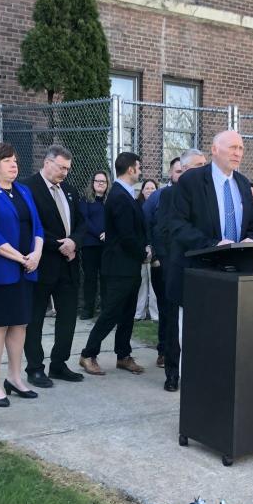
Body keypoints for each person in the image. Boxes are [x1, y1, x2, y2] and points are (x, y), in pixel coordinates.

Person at [164, 132, 253, 390]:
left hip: (231, 277)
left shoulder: (242, 183)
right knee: (191, 339)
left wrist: (250, 240)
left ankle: (218, 389)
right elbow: (177, 225)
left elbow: (252, 225)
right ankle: (191, 391)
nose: (238, 152)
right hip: (196, 274)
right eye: (232, 147)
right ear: (215, 150)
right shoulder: (192, 181)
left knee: (222, 340)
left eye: (241, 147)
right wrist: (212, 245)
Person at [0, 143, 45, 408]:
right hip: (0, 271)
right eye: (7, 161)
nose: (14, 165)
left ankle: (14, 377)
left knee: (20, 324)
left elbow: (38, 226)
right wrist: (20, 257)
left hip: (26, 269)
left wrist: (36, 253)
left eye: (15, 160)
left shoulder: (23, 190)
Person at [20, 146, 86, 387]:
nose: (65, 173)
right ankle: (35, 368)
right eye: (61, 167)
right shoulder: (28, 188)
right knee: (35, 318)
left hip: (69, 264)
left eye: (68, 168)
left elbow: (81, 222)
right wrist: (59, 245)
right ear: (47, 162)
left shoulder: (69, 190)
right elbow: (29, 226)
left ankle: (59, 363)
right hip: (43, 262)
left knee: (68, 316)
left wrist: (74, 242)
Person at [78, 152, 148, 377]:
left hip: (128, 265)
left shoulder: (124, 194)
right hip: (119, 266)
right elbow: (127, 235)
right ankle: (88, 354)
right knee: (111, 313)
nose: (140, 170)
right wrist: (143, 252)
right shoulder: (119, 196)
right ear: (130, 169)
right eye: (138, 167)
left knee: (127, 313)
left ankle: (123, 355)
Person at [154, 149, 206, 391]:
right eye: (197, 165)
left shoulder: (209, 195)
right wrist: (166, 264)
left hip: (204, 267)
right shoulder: (169, 195)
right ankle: (172, 373)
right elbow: (164, 230)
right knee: (174, 323)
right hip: (177, 266)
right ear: (183, 170)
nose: (203, 168)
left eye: (204, 164)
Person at [142, 157, 181, 367]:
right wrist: (153, 254)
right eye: (178, 171)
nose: (181, 175)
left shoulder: (193, 197)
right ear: (170, 172)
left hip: (184, 262)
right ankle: (164, 350)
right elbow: (145, 223)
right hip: (163, 263)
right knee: (166, 308)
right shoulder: (157, 197)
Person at [79, 170, 109, 320]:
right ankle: (88, 309)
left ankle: (105, 309)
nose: (100, 183)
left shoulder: (110, 201)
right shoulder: (85, 201)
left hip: (106, 246)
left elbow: (114, 219)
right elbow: (85, 221)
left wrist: (108, 232)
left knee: (105, 278)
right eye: (97, 181)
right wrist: (99, 234)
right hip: (90, 245)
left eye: (103, 181)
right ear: (93, 183)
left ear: (107, 183)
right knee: (90, 278)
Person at [134, 178, 159, 321]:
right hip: (141, 250)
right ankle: (139, 313)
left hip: (156, 250)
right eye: (147, 188)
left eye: (152, 188)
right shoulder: (137, 206)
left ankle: (155, 314)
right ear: (142, 191)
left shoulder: (160, 205)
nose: (149, 190)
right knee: (142, 282)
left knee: (154, 283)